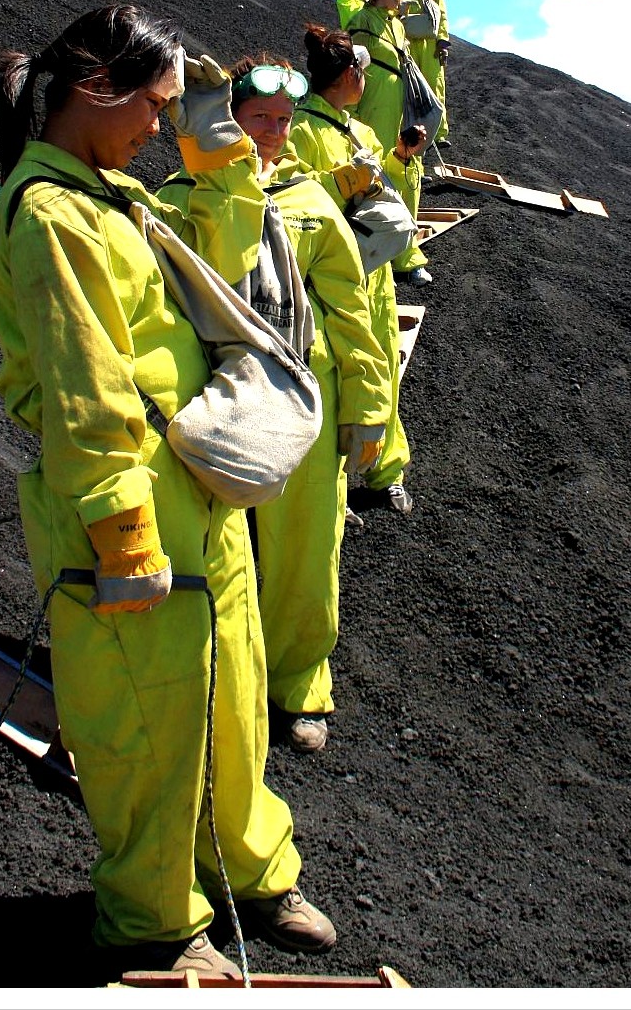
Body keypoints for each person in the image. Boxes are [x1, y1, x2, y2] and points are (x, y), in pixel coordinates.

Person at [0, 5, 335, 978]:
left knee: (234, 692)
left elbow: (221, 254)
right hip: (128, 510)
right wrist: (125, 536)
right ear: (99, 85)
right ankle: (154, 920)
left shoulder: (112, 197)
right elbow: (85, 394)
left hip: (198, 497)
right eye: (159, 104)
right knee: (148, 722)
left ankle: (252, 870)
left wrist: (217, 146)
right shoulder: (52, 214)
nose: (160, 125)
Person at [160, 54, 390, 756]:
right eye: (259, 118)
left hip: (298, 398)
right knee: (212, 546)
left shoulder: (311, 201)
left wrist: (369, 406)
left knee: (305, 551)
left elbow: (354, 310)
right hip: (213, 398)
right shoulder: (180, 194)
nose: (273, 132)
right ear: (230, 116)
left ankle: (298, 685)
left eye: (284, 120)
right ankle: (211, 679)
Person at [280, 25, 419, 517]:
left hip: (375, 274)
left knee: (382, 369)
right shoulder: (301, 130)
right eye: (360, 71)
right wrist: (343, 180)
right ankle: (333, 493)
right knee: (338, 379)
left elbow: (390, 188)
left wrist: (400, 158)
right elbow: (291, 194)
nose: (365, 80)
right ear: (347, 75)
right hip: (334, 277)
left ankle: (386, 471)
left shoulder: (360, 131)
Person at [345, 0, 433, 286]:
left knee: (408, 171)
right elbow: (351, 70)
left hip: (400, 106)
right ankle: (376, 256)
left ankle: (405, 255)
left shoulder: (397, 25)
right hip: (372, 107)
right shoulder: (361, 22)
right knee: (376, 173)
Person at [400, 0, 451, 146]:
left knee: (434, 85)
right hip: (406, 42)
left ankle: (438, 134)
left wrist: (442, 40)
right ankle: (409, 131)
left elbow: (442, 13)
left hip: (429, 43)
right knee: (408, 87)